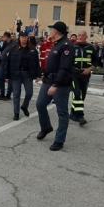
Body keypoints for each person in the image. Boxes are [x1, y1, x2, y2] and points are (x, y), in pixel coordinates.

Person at [35, 21, 73, 151]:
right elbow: (50, 63)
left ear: (57, 31)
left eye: (52, 29)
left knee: (62, 113)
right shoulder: (56, 44)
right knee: (40, 104)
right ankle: (46, 127)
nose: (50, 31)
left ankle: (59, 140)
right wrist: (43, 75)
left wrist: (56, 85)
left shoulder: (67, 46)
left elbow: (64, 68)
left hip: (60, 84)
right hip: (48, 80)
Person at [6, 33, 40, 120]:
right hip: (16, 74)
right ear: (19, 38)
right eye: (22, 37)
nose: (23, 39)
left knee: (29, 93)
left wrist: (38, 75)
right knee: (16, 94)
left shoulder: (32, 49)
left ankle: (24, 106)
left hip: (27, 74)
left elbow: (37, 63)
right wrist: (7, 75)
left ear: (27, 38)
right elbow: (8, 62)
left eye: (25, 37)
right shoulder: (14, 48)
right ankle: (16, 113)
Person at [69, 31, 97, 125]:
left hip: (86, 75)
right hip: (74, 74)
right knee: (77, 93)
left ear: (86, 37)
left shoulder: (91, 48)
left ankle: (73, 113)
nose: (80, 37)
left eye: (82, 35)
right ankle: (80, 116)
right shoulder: (72, 47)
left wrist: (90, 69)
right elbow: (67, 62)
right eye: (79, 35)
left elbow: (96, 62)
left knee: (82, 96)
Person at [0, 31, 15, 100]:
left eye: (3, 37)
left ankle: (8, 95)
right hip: (3, 63)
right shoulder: (4, 43)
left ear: (7, 37)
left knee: (10, 80)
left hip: (10, 64)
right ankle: (2, 94)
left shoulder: (13, 44)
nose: (2, 38)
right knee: (1, 78)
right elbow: (2, 50)